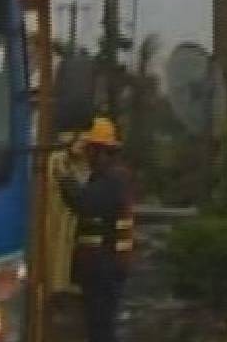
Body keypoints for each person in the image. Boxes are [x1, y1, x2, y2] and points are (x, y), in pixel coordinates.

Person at [55, 117, 134, 342]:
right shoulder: (104, 177)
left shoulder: (113, 179)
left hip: (106, 268)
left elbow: (86, 203)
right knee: (97, 327)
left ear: (100, 151)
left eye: (89, 150)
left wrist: (64, 178)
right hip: (100, 268)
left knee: (102, 329)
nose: (86, 157)